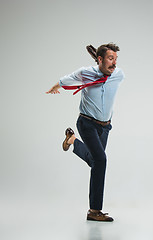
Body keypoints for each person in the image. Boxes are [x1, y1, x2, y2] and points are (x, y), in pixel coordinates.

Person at [46, 43, 124, 222]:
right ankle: (94, 211)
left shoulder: (118, 74)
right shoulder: (85, 73)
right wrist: (54, 87)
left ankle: (72, 139)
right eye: (110, 59)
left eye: (116, 59)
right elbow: (66, 79)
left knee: (94, 161)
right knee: (101, 160)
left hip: (105, 127)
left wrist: (106, 66)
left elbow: (107, 71)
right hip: (86, 123)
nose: (114, 63)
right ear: (99, 59)